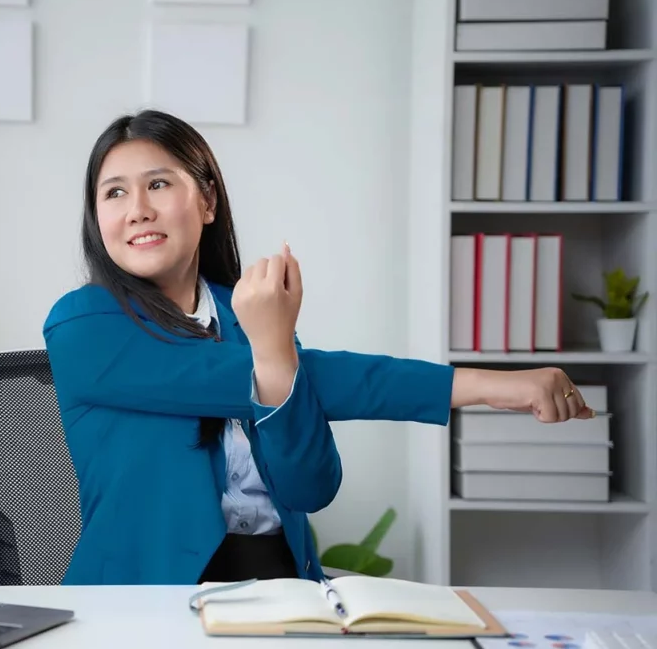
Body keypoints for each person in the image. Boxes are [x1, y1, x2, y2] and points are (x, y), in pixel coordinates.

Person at [42, 109, 595, 586]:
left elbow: (311, 486)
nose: (137, 207)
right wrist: (491, 387)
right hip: (142, 606)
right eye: (114, 192)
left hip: (281, 585)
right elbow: (309, 378)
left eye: (159, 184)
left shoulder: (252, 321)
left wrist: (276, 349)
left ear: (207, 201)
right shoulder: (82, 324)